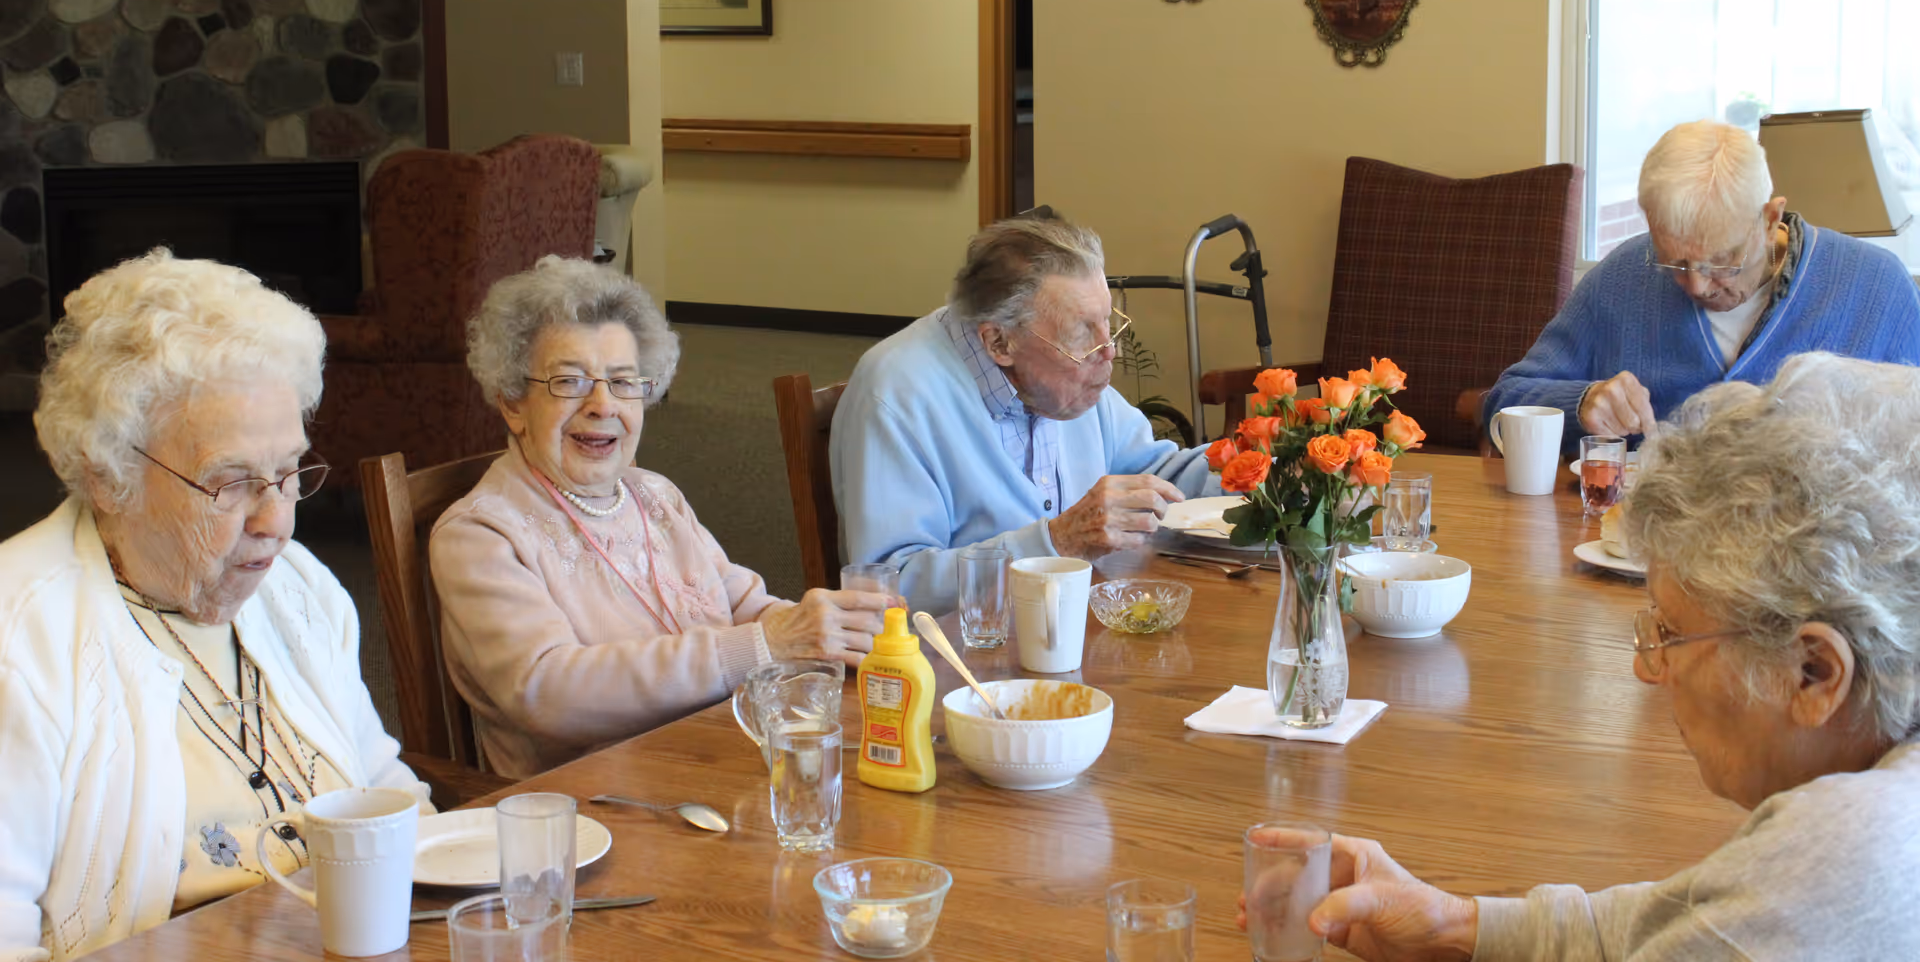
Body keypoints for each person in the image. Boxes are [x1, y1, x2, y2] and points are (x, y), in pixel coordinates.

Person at [1245, 352, 1920, 959]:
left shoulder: (1841, 867)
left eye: (1670, 634)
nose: (1646, 667)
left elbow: (1735, 924)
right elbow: (1696, 911)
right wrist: (1453, 925)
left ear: (1814, 673)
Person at [0, 250, 427, 962]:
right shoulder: (22, 644)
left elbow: (380, 783)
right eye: (230, 483)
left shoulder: (296, 586)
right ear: (109, 474)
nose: (278, 523)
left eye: (290, 473)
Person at [431, 257, 887, 780]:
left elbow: (739, 601)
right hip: (601, 807)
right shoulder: (481, 536)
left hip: (720, 761)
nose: (603, 405)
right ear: (513, 401)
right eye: (570, 382)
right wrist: (767, 644)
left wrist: (825, 629)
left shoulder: (652, 493)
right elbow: (547, 692)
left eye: (624, 383)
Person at [832, 213, 1216, 614]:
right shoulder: (896, 395)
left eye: (1108, 323)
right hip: (958, 658)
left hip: (1074, 626)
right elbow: (890, 587)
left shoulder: (1069, 378)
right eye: (1082, 333)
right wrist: (1058, 544)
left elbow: (1156, 473)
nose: (1109, 350)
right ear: (999, 342)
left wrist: (1265, 470)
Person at [1484, 120, 1920, 457]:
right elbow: (1503, 401)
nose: (1695, 284)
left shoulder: (1876, 290)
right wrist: (1581, 404)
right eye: (1673, 259)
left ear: (1770, 219)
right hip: (1637, 553)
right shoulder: (1623, 277)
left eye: (1721, 263)